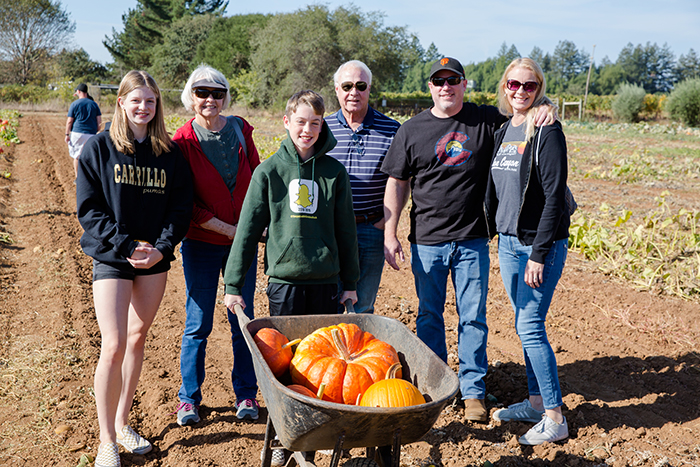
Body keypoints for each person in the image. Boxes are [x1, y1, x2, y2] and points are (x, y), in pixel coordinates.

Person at [382, 57, 554, 423]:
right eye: (439, 80)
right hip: (427, 240)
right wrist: (390, 229)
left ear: (464, 84)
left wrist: (547, 108)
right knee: (429, 314)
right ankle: (438, 384)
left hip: (472, 239)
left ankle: (473, 390)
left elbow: (522, 109)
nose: (446, 86)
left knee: (472, 318)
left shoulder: (485, 119)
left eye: (453, 80)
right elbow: (397, 182)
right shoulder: (411, 130)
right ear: (430, 86)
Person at [76, 70, 193, 467]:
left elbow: (181, 208)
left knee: (138, 336)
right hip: (113, 255)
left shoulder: (169, 154)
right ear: (122, 102)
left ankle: (123, 422)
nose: (144, 107)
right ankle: (106, 440)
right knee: (113, 343)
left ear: (158, 105)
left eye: (151, 101)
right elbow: (89, 209)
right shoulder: (99, 147)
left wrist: (161, 249)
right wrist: (125, 244)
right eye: (136, 100)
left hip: (154, 259)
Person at [485, 58, 569, 445]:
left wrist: (539, 252)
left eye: (530, 86)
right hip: (508, 241)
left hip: (538, 245)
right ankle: (535, 403)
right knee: (524, 322)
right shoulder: (506, 128)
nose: (521, 91)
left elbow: (554, 195)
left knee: (530, 326)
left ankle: (554, 416)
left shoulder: (546, 128)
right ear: (504, 87)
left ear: (540, 88)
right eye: (514, 84)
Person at [171, 65, 261, 426]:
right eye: (202, 93)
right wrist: (228, 229)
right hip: (202, 243)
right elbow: (184, 203)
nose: (210, 99)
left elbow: (257, 179)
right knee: (198, 322)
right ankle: (189, 399)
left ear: (225, 96)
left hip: (242, 245)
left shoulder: (240, 129)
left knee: (242, 318)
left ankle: (246, 394)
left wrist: (252, 228)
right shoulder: (182, 142)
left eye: (217, 93)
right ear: (190, 97)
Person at [224, 90, 359, 317]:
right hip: (284, 282)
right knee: (286, 350)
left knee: (321, 350)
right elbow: (248, 230)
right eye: (301, 122)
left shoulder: (335, 173)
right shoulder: (267, 172)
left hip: (325, 282)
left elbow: (346, 230)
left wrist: (350, 283)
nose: (307, 130)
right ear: (286, 122)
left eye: (314, 123)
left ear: (322, 125)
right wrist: (233, 285)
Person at [326, 60, 401, 314]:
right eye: (347, 86)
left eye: (360, 86)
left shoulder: (391, 129)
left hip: (371, 228)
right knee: (330, 302)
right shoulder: (322, 129)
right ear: (337, 89)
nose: (353, 92)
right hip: (331, 231)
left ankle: (357, 353)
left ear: (369, 89)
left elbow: (400, 180)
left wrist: (386, 226)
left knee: (364, 303)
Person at [66, 83, 102, 177]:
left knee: (77, 157)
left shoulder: (74, 104)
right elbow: (99, 122)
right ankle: (90, 178)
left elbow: (70, 121)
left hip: (77, 133)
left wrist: (67, 134)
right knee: (90, 157)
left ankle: (78, 178)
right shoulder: (94, 104)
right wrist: (96, 131)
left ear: (78, 91)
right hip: (91, 134)